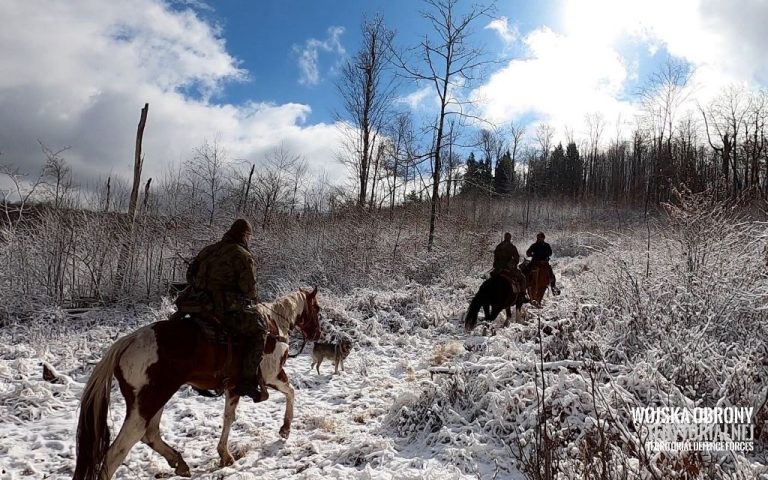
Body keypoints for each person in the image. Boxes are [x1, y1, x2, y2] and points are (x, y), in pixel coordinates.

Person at [175, 219, 269, 402]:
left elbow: (190, 275)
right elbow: (249, 290)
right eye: (249, 236)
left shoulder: (208, 250)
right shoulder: (243, 255)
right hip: (223, 309)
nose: (249, 240)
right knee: (259, 330)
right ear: (244, 235)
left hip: (195, 306)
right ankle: (247, 381)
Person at [491, 232, 528, 300]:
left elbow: (495, 258)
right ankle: (523, 295)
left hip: (499, 268)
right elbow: (516, 258)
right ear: (510, 238)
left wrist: (496, 265)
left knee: (491, 277)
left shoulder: (499, 246)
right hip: (509, 268)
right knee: (523, 278)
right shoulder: (512, 247)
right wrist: (512, 263)